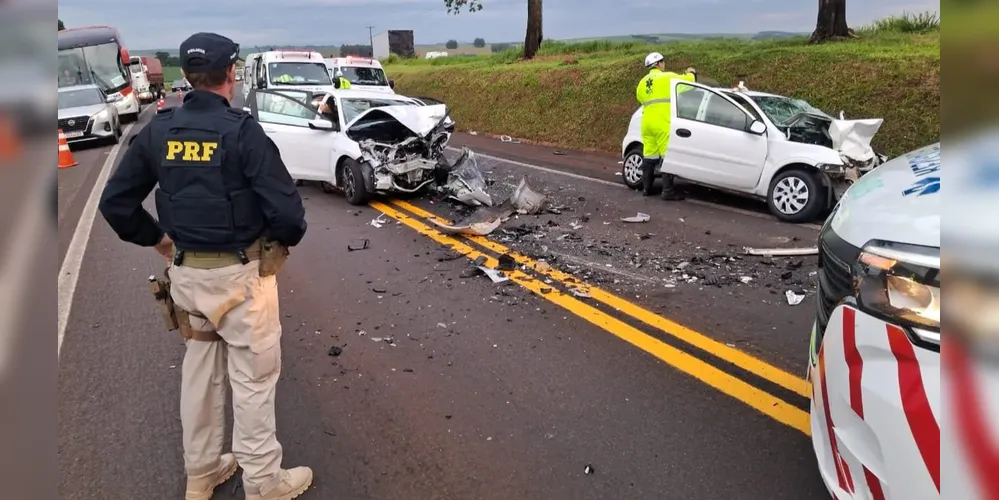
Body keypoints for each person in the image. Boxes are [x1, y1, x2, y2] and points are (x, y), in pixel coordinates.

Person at [97, 32, 312, 500]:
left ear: (187, 77)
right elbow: (289, 216)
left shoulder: (159, 128)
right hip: (241, 279)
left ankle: (203, 473)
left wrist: (158, 240)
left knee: (199, 371)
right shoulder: (242, 131)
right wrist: (276, 247)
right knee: (253, 380)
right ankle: (263, 482)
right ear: (231, 74)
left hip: (188, 276)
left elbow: (116, 204)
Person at [635, 52, 697, 200]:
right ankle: (668, 191)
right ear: (658, 64)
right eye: (662, 62)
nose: (664, 64)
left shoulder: (642, 83)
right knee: (666, 157)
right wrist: (692, 73)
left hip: (646, 123)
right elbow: (688, 82)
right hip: (662, 123)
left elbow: (640, 98)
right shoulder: (667, 77)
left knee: (649, 156)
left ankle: (646, 189)